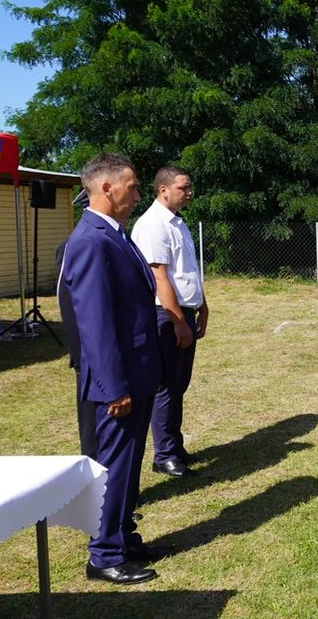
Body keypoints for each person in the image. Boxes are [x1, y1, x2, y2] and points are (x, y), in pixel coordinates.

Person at [61, 152, 167, 585]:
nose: (138, 194)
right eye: (133, 185)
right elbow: (95, 325)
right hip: (117, 383)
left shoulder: (114, 234)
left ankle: (122, 536)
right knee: (114, 467)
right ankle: (103, 555)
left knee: (129, 464)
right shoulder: (89, 240)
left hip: (136, 374)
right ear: (106, 188)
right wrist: (114, 386)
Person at [130, 165, 209, 478]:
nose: (188, 193)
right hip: (166, 315)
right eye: (183, 188)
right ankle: (164, 454)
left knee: (179, 385)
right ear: (163, 190)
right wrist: (178, 321)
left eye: (189, 187)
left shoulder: (178, 223)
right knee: (166, 386)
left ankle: (173, 445)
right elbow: (159, 276)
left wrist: (202, 308)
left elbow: (186, 272)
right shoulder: (153, 225)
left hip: (184, 312)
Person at [57, 189, 97, 459]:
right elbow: (70, 304)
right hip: (90, 352)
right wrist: (80, 355)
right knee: (92, 418)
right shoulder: (76, 245)